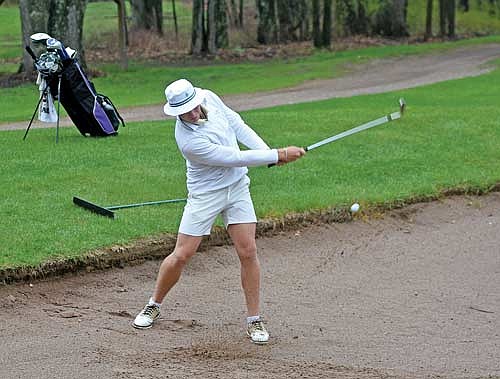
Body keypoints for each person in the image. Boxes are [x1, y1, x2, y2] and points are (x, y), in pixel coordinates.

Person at [133, 78, 305, 344]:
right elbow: (233, 157)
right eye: (184, 112)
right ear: (176, 112)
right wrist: (277, 154)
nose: (192, 113)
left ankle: (254, 320)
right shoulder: (188, 141)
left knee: (248, 251)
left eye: (193, 107)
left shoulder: (209, 97)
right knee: (182, 254)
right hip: (206, 195)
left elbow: (237, 124)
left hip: (237, 188)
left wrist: (267, 153)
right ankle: (154, 303)